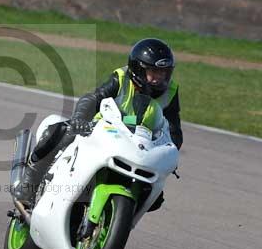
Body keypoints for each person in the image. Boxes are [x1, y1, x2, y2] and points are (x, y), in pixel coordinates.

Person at [13, 38, 183, 211]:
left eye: (163, 73)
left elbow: (175, 129)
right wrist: (80, 119)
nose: (159, 78)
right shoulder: (122, 78)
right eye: (153, 72)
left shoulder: (170, 91)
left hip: (139, 144)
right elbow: (93, 98)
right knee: (58, 131)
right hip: (103, 131)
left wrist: (170, 152)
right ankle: (28, 186)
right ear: (138, 70)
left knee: (155, 197)